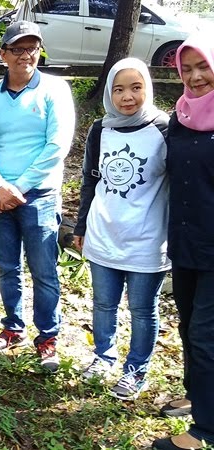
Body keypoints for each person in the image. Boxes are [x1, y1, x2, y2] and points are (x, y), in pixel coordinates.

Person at [0, 20, 75, 372]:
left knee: (44, 270)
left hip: (40, 196)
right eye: (17, 49)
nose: (25, 55)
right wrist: (1, 186)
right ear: (3, 55)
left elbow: (57, 145)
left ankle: (47, 337)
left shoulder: (55, 90)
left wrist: (20, 187)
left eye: (32, 48)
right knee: (7, 267)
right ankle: (12, 327)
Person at [72, 58, 169, 400]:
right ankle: (103, 356)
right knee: (103, 304)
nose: (127, 96)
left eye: (136, 87)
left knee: (143, 309)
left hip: (147, 239)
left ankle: (135, 370)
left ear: (148, 88)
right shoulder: (101, 129)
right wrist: (81, 225)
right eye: (119, 89)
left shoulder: (165, 130)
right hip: (103, 235)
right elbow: (89, 181)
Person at [152, 35, 214, 450]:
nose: (194, 76)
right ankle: (198, 398)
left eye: (202, 66)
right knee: (190, 327)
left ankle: (207, 430)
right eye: (186, 68)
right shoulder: (181, 115)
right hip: (186, 241)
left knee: (206, 336)